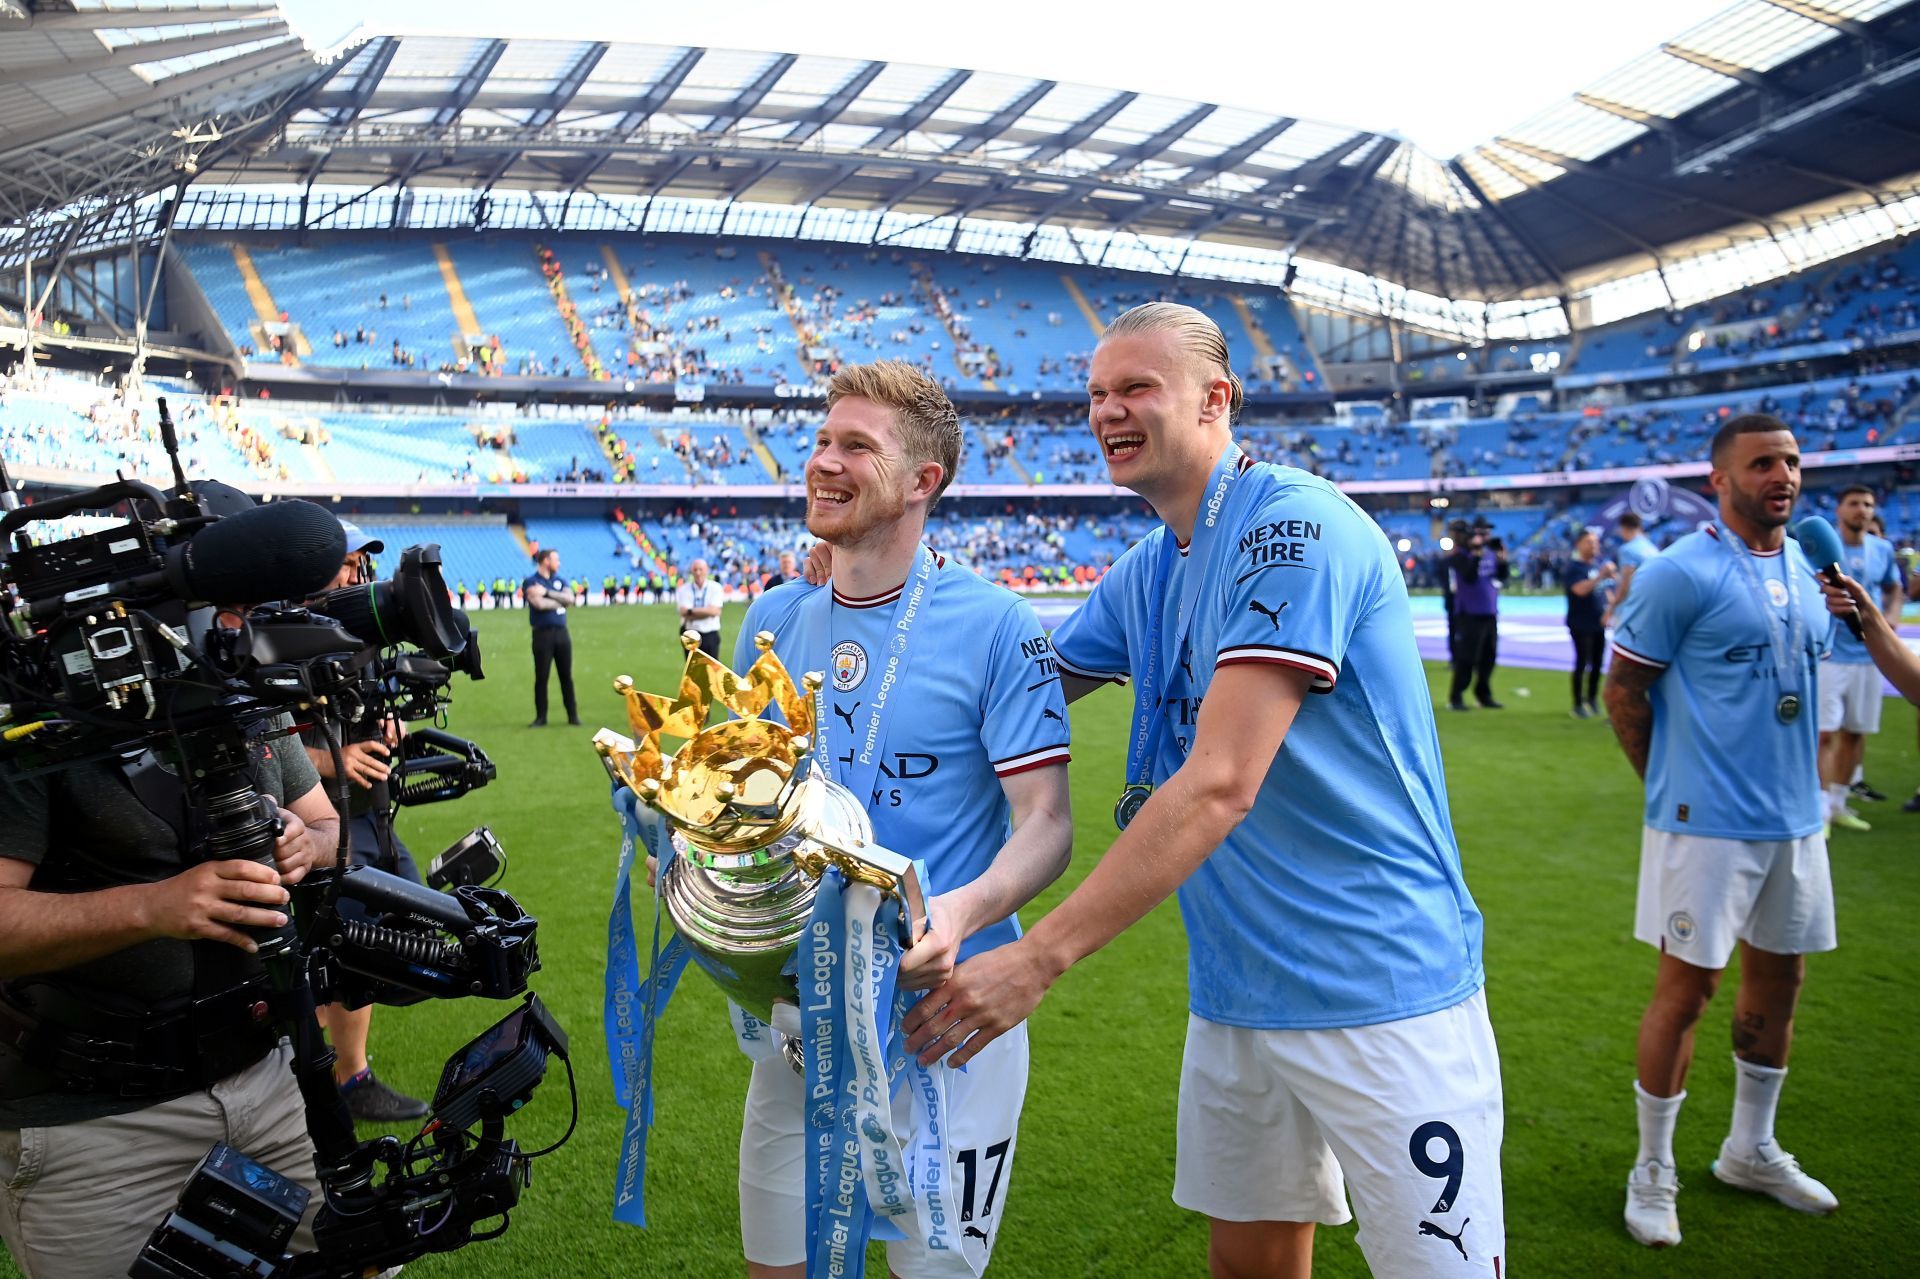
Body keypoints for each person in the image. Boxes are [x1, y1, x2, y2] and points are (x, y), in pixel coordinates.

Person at [895, 304, 1503, 1278]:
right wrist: (879, 577)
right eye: (1096, 394)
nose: (1108, 412)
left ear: (1217, 399)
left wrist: (1038, 957)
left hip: (1382, 989)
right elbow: (1017, 684)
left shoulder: (1293, 527)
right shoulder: (1150, 567)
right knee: (1250, 1267)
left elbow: (1220, 783)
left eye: (1137, 388)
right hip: (1237, 994)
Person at [732, 360, 1073, 1278]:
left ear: (924, 481)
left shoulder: (1000, 624)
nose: (823, 463)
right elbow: (740, 800)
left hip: (941, 1027)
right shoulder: (771, 616)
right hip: (802, 1022)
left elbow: (1047, 821)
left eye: (856, 446)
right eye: (821, 440)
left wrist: (959, 912)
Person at [0, 485, 341, 1279]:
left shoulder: (238, 684)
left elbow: (324, 824)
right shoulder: (39, 708)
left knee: (355, 1256)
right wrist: (157, 906)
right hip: (93, 1123)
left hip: (266, 1074)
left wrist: (304, 847)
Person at [1603, 414, 1839, 1250]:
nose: (1783, 476)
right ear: (1720, 479)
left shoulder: (1813, 566)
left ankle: (1750, 1147)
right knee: (1687, 992)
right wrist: (1673, 790)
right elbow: (1624, 691)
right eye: (1763, 463)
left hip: (1796, 819)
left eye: (1792, 461)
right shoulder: (1677, 573)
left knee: (1779, 987)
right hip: (1703, 828)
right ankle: (1653, 1167)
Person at [300, 521, 429, 1122]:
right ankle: (315, 1076)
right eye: (343, 565)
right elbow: (253, 744)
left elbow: (363, 708)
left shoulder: (359, 633)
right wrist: (334, 758)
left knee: (391, 939)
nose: (355, 577)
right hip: (309, 824)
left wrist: (385, 731)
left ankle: (349, 1076)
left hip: (367, 815)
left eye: (358, 566)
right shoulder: (271, 636)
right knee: (321, 956)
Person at [1814, 486, 1903, 832]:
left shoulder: (1881, 549)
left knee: (1856, 731)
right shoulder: (1823, 549)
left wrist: (1892, 615)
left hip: (1868, 655)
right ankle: (1820, 810)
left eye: (1868, 504)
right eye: (1854, 504)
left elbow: (1893, 587)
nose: (1862, 510)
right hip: (1830, 653)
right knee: (1825, 734)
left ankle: (1839, 804)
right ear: (1839, 510)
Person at [1819, 567, 1920, 705]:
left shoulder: (1881, 549)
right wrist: (1865, 614)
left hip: (1865, 658)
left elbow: (1898, 588)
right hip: (1836, 655)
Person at [1446, 522, 1508, 710]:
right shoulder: (1459, 556)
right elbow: (1470, 576)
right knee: (1467, 657)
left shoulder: (1490, 554)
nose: (1484, 538)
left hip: (1490, 611)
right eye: (1480, 534)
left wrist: (1503, 559)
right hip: (1469, 613)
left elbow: (1502, 577)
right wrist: (1475, 555)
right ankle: (1456, 697)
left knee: (1489, 656)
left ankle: (1483, 694)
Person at [523, 548, 579, 728]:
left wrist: (547, 593)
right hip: (542, 634)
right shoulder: (531, 581)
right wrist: (560, 601)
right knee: (542, 677)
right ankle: (541, 717)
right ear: (546, 561)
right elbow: (538, 604)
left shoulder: (559, 580)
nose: (559, 563)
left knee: (566, 676)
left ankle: (573, 716)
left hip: (562, 633)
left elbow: (570, 599)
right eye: (556, 559)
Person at [1564, 528, 1616, 718]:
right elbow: (1580, 590)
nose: (1593, 546)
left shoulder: (1596, 566)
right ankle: (1578, 702)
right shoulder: (1574, 568)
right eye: (1589, 542)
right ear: (1579, 544)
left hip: (1598, 622)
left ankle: (1592, 699)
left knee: (1597, 662)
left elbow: (1605, 592)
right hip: (1580, 622)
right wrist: (1600, 576)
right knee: (1582, 662)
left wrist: (1611, 610)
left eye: (1595, 542)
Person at [1604, 511, 1659, 628]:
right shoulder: (1652, 548)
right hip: (1652, 606)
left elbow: (1626, 586)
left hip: (1631, 610)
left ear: (1622, 527)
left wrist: (1611, 609)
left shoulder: (1627, 550)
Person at [674, 558, 724, 659]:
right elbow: (683, 612)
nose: (698, 573)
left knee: (711, 672)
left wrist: (691, 611)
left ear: (706, 570)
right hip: (691, 634)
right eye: (695, 569)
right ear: (691, 571)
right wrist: (707, 611)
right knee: (692, 672)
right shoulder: (684, 589)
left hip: (710, 635)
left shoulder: (716, 588)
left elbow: (715, 611)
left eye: (701, 569)